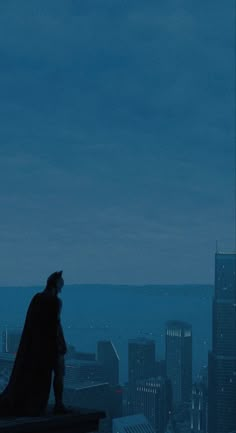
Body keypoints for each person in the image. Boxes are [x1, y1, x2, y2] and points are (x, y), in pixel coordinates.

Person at [0, 270, 69, 416]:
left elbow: (32, 324)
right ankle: (58, 404)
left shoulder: (37, 298)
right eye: (61, 285)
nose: (62, 288)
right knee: (58, 373)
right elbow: (55, 325)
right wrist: (61, 345)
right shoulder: (55, 301)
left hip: (37, 346)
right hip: (52, 345)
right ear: (56, 284)